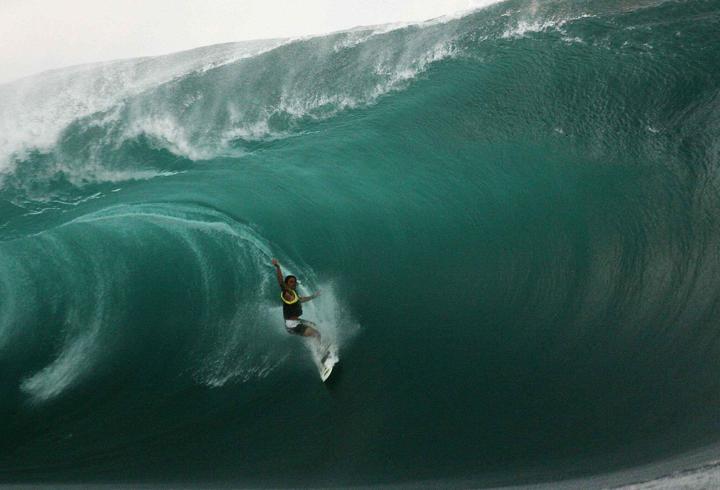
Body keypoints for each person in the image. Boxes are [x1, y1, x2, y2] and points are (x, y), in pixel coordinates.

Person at [271, 258, 322, 342]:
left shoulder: (294, 293)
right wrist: (278, 267)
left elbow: (302, 299)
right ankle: (321, 352)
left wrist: (314, 296)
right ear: (287, 284)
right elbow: (281, 282)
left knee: (315, 325)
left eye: (294, 282)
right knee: (317, 334)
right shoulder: (286, 293)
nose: (294, 283)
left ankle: (319, 346)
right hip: (292, 325)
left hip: (297, 321)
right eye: (291, 282)